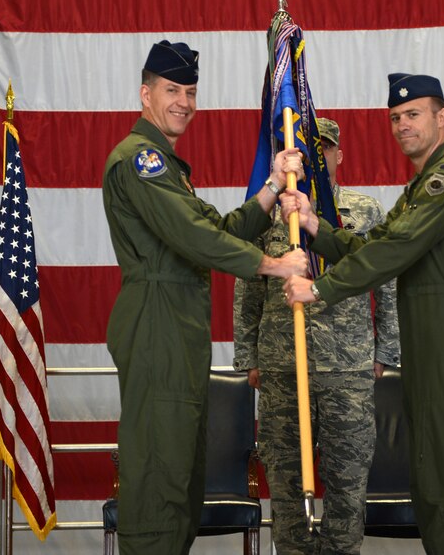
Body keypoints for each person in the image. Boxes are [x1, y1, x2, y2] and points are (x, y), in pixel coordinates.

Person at [101, 40, 309, 555]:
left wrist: (268, 191)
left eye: (191, 92)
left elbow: (214, 226)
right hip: (156, 328)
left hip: (176, 331)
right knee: (158, 478)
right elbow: (195, 239)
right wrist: (275, 264)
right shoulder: (140, 161)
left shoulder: (168, 166)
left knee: (181, 481)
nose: (184, 102)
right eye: (172, 90)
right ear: (145, 94)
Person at [281, 74, 444, 555]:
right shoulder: (421, 185)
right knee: (435, 483)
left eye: (414, 114)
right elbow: (374, 244)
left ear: (442, 116)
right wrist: (316, 226)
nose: (403, 125)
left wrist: (319, 290)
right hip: (430, 345)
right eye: (396, 118)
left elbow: (397, 249)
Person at [233, 117, 400, 554]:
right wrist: (247, 355)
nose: (315, 159)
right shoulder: (267, 209)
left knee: (347, 485)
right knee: (287, 486)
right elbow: (247, 283)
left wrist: (386, 350)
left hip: (348, 368)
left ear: (338, 155)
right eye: (305, 152)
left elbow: (387, 283)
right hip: (282, 365)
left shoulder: (363, 210)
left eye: (323, 150)